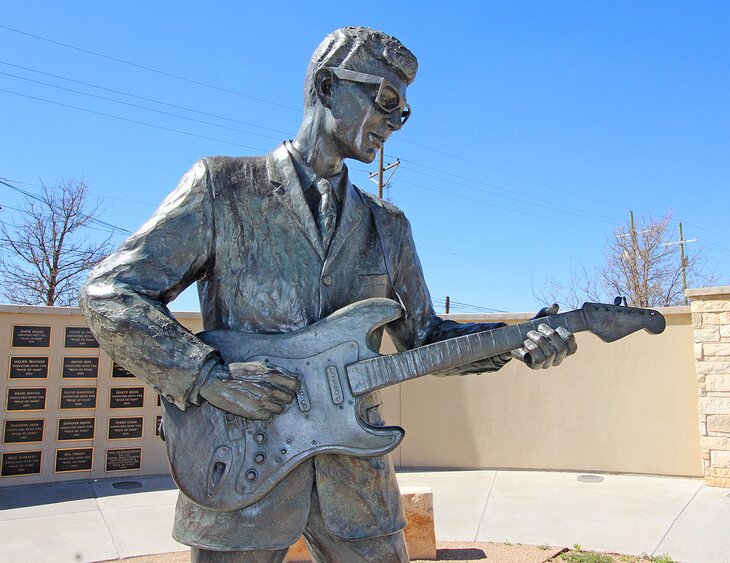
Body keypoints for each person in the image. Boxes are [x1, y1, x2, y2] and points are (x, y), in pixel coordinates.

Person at [79, 26, 576, 563]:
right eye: (385, 100)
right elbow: (110, 292)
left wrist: (515, 341)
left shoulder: (389, 226)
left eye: (403, 113)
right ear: (325, 86)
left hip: (357, 490)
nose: (393, 121)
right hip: (239, 469)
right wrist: (206, 375)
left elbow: (425, 336)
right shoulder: (222, 188)